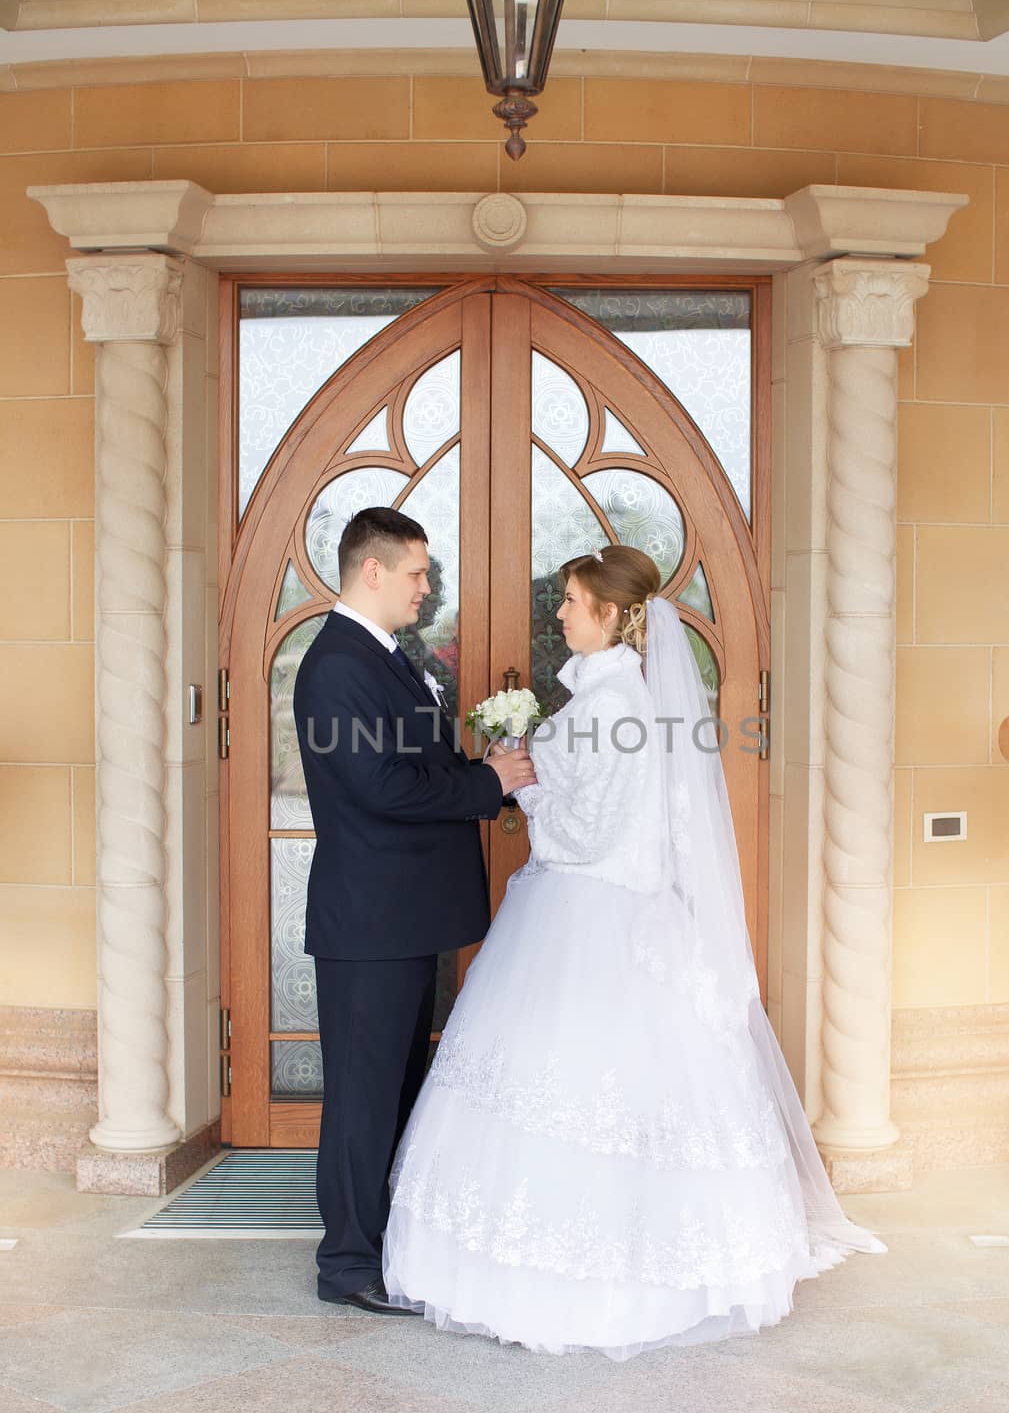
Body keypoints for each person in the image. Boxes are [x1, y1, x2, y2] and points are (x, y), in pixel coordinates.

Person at [382, 543, 887, 1358]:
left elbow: (590, 834)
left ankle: (583, 1276)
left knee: (583, 1088)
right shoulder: (608, 698)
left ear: (613, 616)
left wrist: (521, 782)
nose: (559, 613)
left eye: (572, 602)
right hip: (595, 912)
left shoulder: (611, 705)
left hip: (589, 915)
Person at [294, 506, 536, 1314]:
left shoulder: (382, 656)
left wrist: (482, 766)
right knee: (363, 1098)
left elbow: (410, 763)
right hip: (369, 920)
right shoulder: (336, 665)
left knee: (396, 1087)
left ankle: (384, 1243)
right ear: (373, 571)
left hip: (400, 915)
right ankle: (347, 1265)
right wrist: (487, 784)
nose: (426, 589)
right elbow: (380, 787)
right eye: (417, 573)